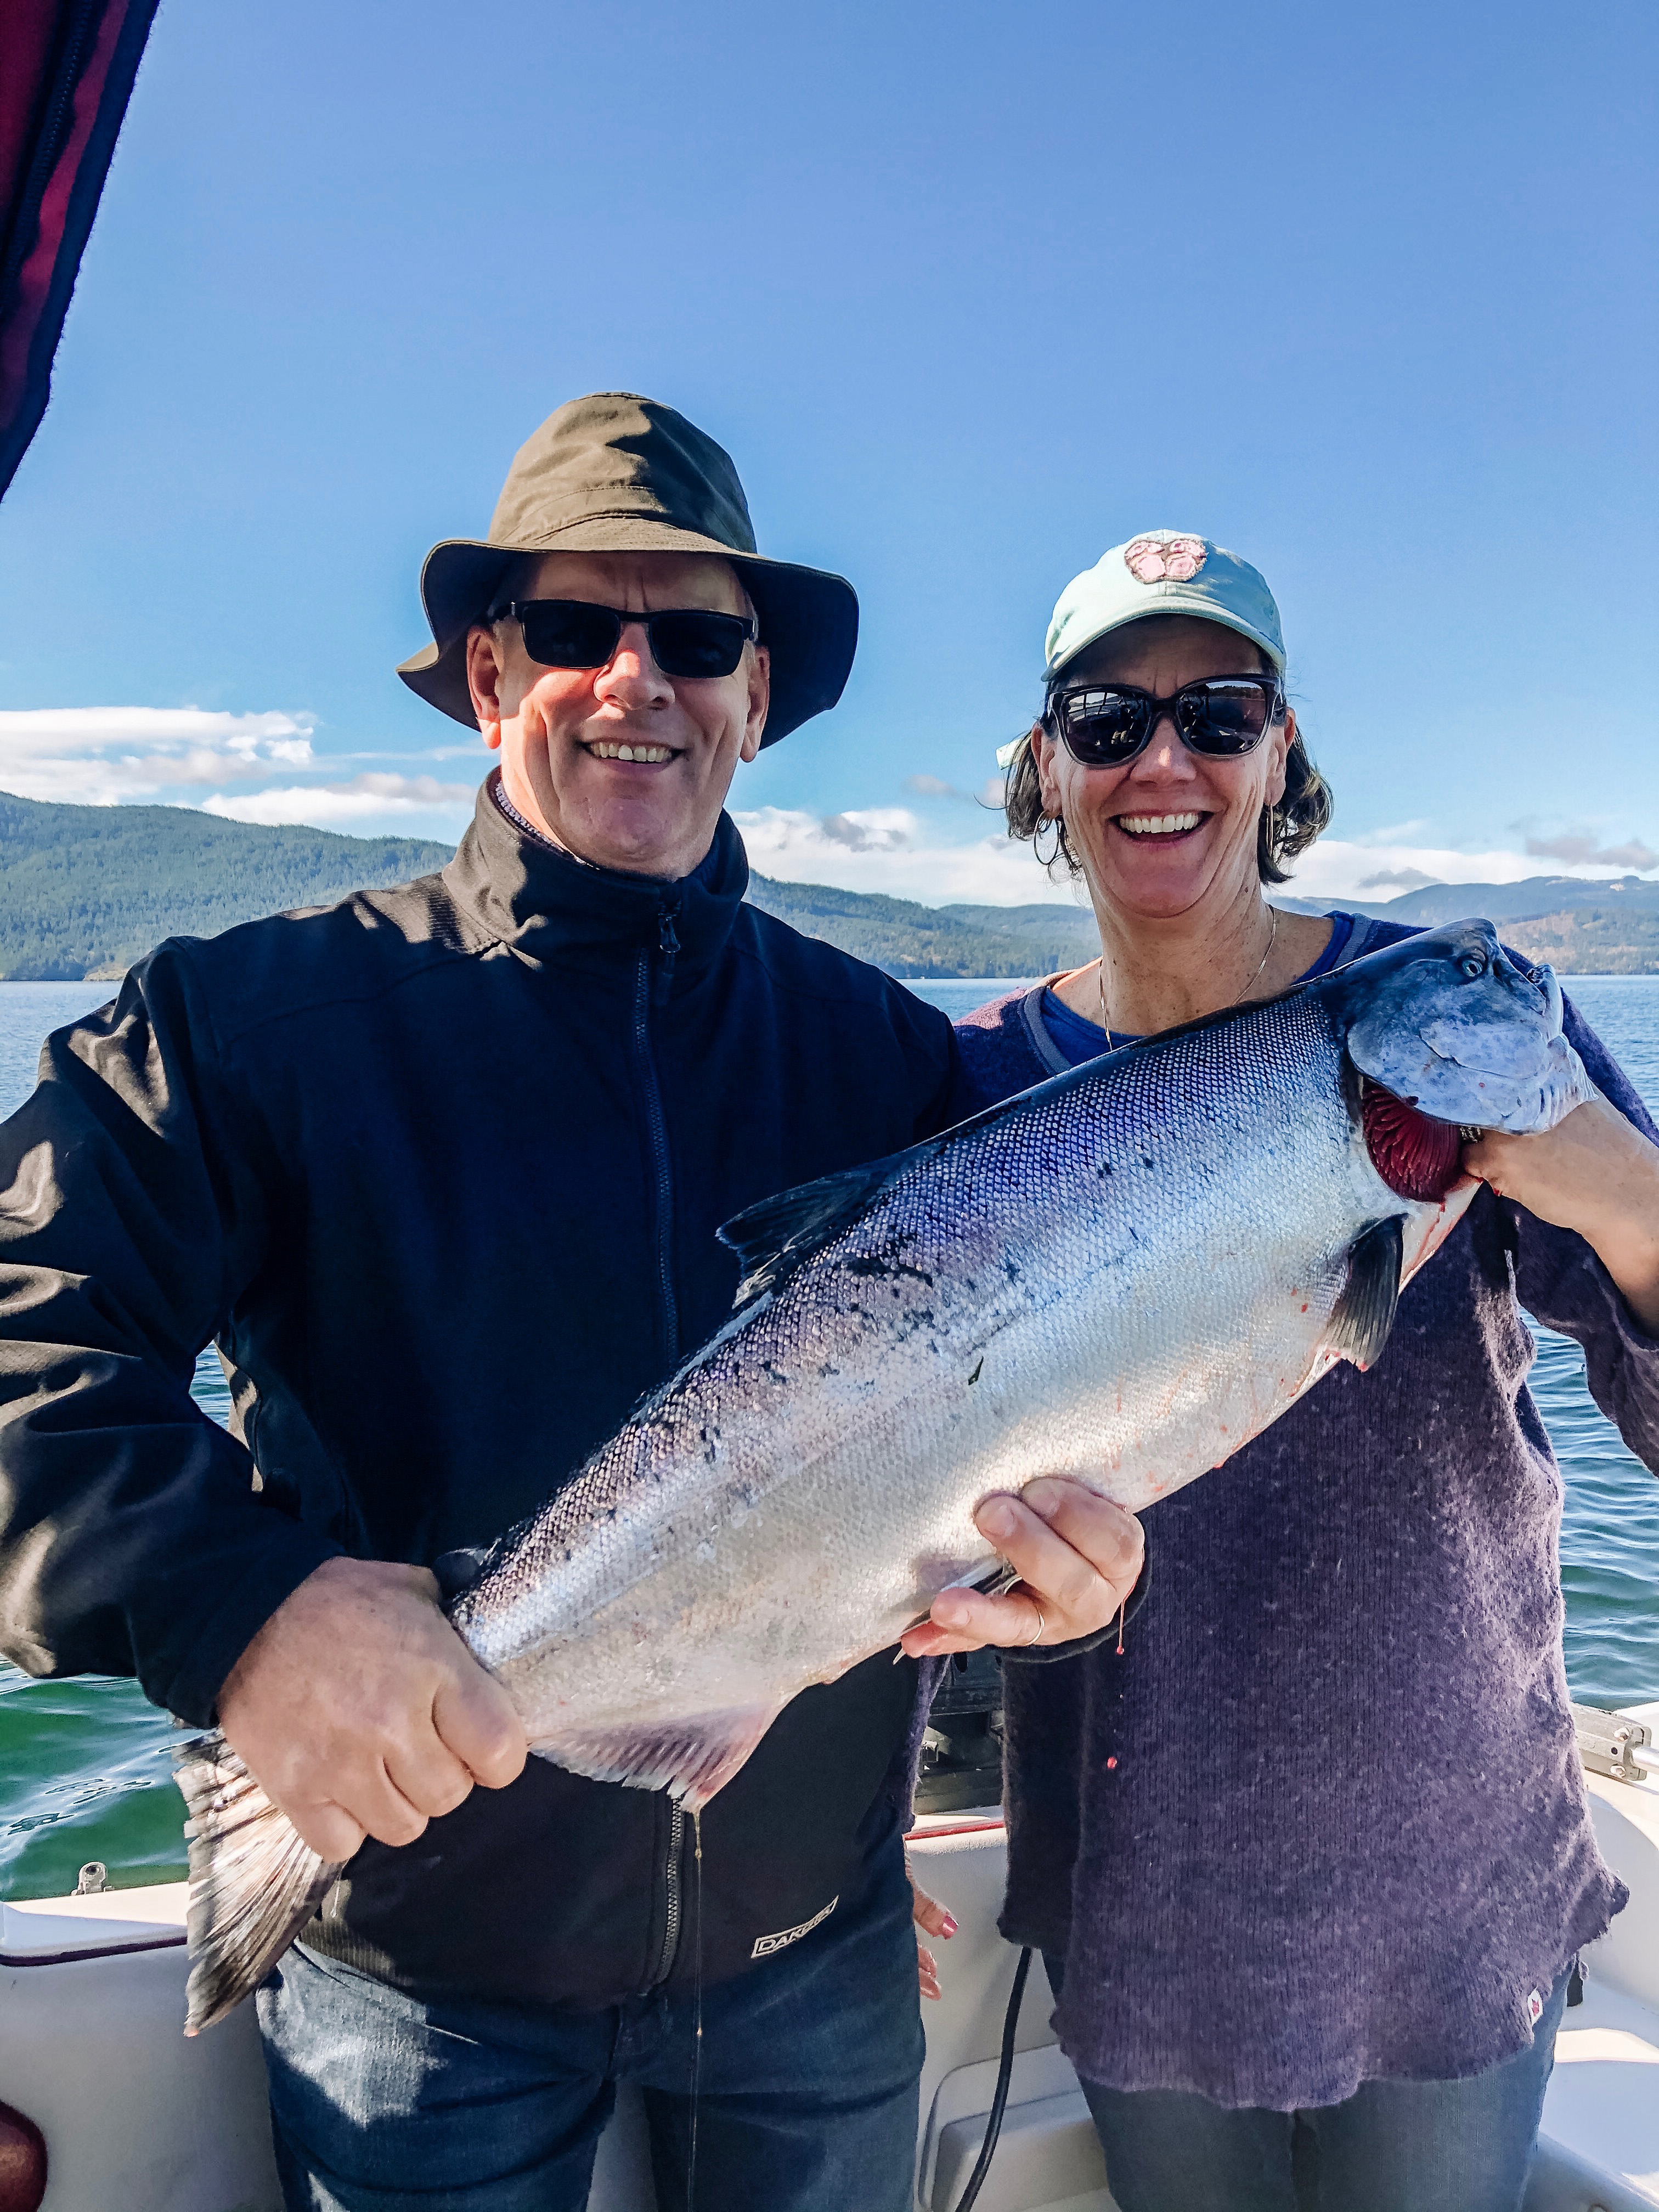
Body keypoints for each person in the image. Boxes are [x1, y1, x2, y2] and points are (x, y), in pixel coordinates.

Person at [0, 396, 1146, 2212]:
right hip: (415, 1989)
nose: (638, 681)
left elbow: (1008, 1458)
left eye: (696, 638)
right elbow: (21, 1325)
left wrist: (1051, 1584)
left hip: (817, 1966)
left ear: (757, 696)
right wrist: (245, 1608)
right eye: (572, 631)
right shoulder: (251, 1025)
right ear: (483, 674)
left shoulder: (893, 1063)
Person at [944, 529, 1659, 2212]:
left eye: (1221, 710)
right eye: (1108, 720)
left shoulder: (1463, 1018)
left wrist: (1613, 1184)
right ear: (1050, 772)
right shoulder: (967, 1086)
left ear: (1283, 756)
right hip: (1145, 1883)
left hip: (1452, 1865)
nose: (1164, 759)